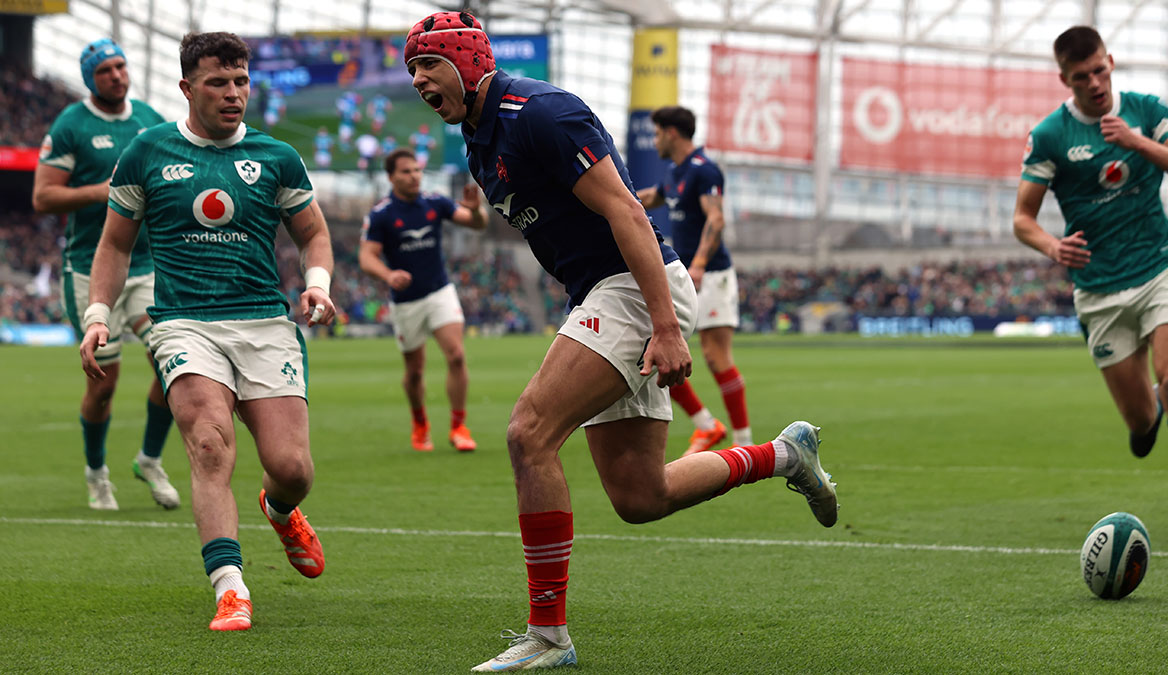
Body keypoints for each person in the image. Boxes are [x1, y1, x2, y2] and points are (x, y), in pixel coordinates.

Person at [405, 11, 840, 671]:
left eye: (429, 63)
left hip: (634, 288)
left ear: (468, 59)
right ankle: (784, 454)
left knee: (529, 432)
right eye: (412, 68)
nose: (418, 79)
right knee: (641, 497)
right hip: (603, 293)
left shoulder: (540, 112)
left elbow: (627, 211)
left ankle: (548, 637)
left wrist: (665, 323)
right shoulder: (478, 141)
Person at [79, 31, 337, 631]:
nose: (233, 94)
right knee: (210, 443)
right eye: (218, 82)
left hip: (264, 322)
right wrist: (98, 315)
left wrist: (318, 282)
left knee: (293, 467)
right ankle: (230, 587)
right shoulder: (147, 151)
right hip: (182, 323)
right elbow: (114, 245)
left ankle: (279, 510)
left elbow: (313, 235)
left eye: (241, 81)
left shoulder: (277, 157)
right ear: (187, 87)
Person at [1015, 25, 1168, 544]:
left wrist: (1137, 141)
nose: (1095, 83)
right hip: (1098, 289)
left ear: (1111, 62)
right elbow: (1022, 219)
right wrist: (1053, 246)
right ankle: (1151, 415)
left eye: (1100, 70)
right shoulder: (1051, 135)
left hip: (1159, 266)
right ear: (1064, 80)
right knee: (1141, 421)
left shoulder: (1144, 110)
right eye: (1081, 77)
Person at [32, 38, 179, 512]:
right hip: (89, 267)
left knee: (177, 364)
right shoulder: (71, 125)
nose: (117, 76)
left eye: (121, 66)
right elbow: (43, 197)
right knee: (105, 381)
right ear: (89, 79)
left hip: (146, 266)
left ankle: (150, 459)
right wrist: (103, 191)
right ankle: (97, 473)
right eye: (105, 71)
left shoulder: (148, 119)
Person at [636, 105, 752, 457]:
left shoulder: (705, 170)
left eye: (657, 133)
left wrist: (699, 265)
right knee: (655, 348)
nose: (654, 140)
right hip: (683, 274)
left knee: (717, 357)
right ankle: (706, 426)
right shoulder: (675, 172)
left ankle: (744, 443)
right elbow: (648, 198)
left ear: (672, 133)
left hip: (711, 274)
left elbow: (716, 219)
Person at [359, 147, 489, 452]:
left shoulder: (435, 202)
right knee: (415, 371)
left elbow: (477, 223)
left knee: (456, 355)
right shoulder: (381, 215)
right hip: (406, 302)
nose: (414, 176)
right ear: (391, 177)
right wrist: (388, 276)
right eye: (406, 171)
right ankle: (420, 424)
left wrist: (475, 210)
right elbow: (367, 257)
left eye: (417, 170)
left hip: (440, 291)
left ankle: (459, 426)